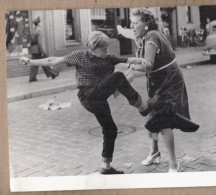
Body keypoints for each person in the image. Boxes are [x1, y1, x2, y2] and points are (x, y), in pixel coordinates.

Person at [20, 31, 150, 174]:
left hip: (99, 99)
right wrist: (30, 61)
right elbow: (53, 60)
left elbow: (128, 60)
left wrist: (142, 60)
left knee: (110, 129)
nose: (106, 51)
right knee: (118, 76)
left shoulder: (108, 58)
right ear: (94, 47)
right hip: (87, 95)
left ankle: (106, 166)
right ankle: (141, 106)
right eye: (104, 48)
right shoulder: (79, 56)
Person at [128, 8, 199, 172]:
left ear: (146, 22)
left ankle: (174, 163)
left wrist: (128, 65)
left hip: (170, 82)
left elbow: (147, 65)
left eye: (135, 23)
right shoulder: (144, 37)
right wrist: (129, 70)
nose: (132, 26)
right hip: (158, 81)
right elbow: (145, 65)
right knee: (153, 115)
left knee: (163, 120)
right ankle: (154, 152)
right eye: (131, 23)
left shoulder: (152, 36)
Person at [29, 16, 59, 82]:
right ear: (39, 23)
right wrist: (42, 51)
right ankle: (53, 74)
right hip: (38, 50)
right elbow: (39, 43)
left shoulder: (32, 30)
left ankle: (32, 78)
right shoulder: (39, 30)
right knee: (45, 62)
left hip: (33, 50)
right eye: (40, 22)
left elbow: (31, 41)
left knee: (34, 64)